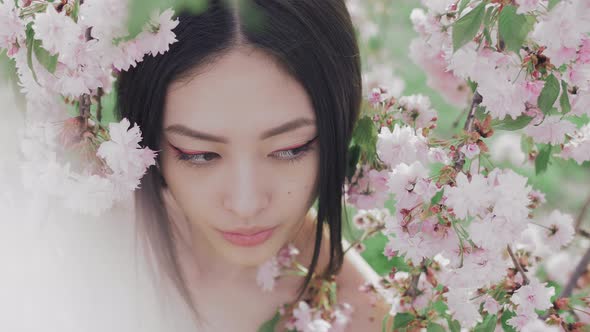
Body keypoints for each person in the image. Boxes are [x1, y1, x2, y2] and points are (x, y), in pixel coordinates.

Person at [116, 0, 390, 330]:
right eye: (199, 154)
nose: (246, 205)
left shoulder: (362, 315)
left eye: (290, 149)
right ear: (146, 137)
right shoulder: (69, 238)